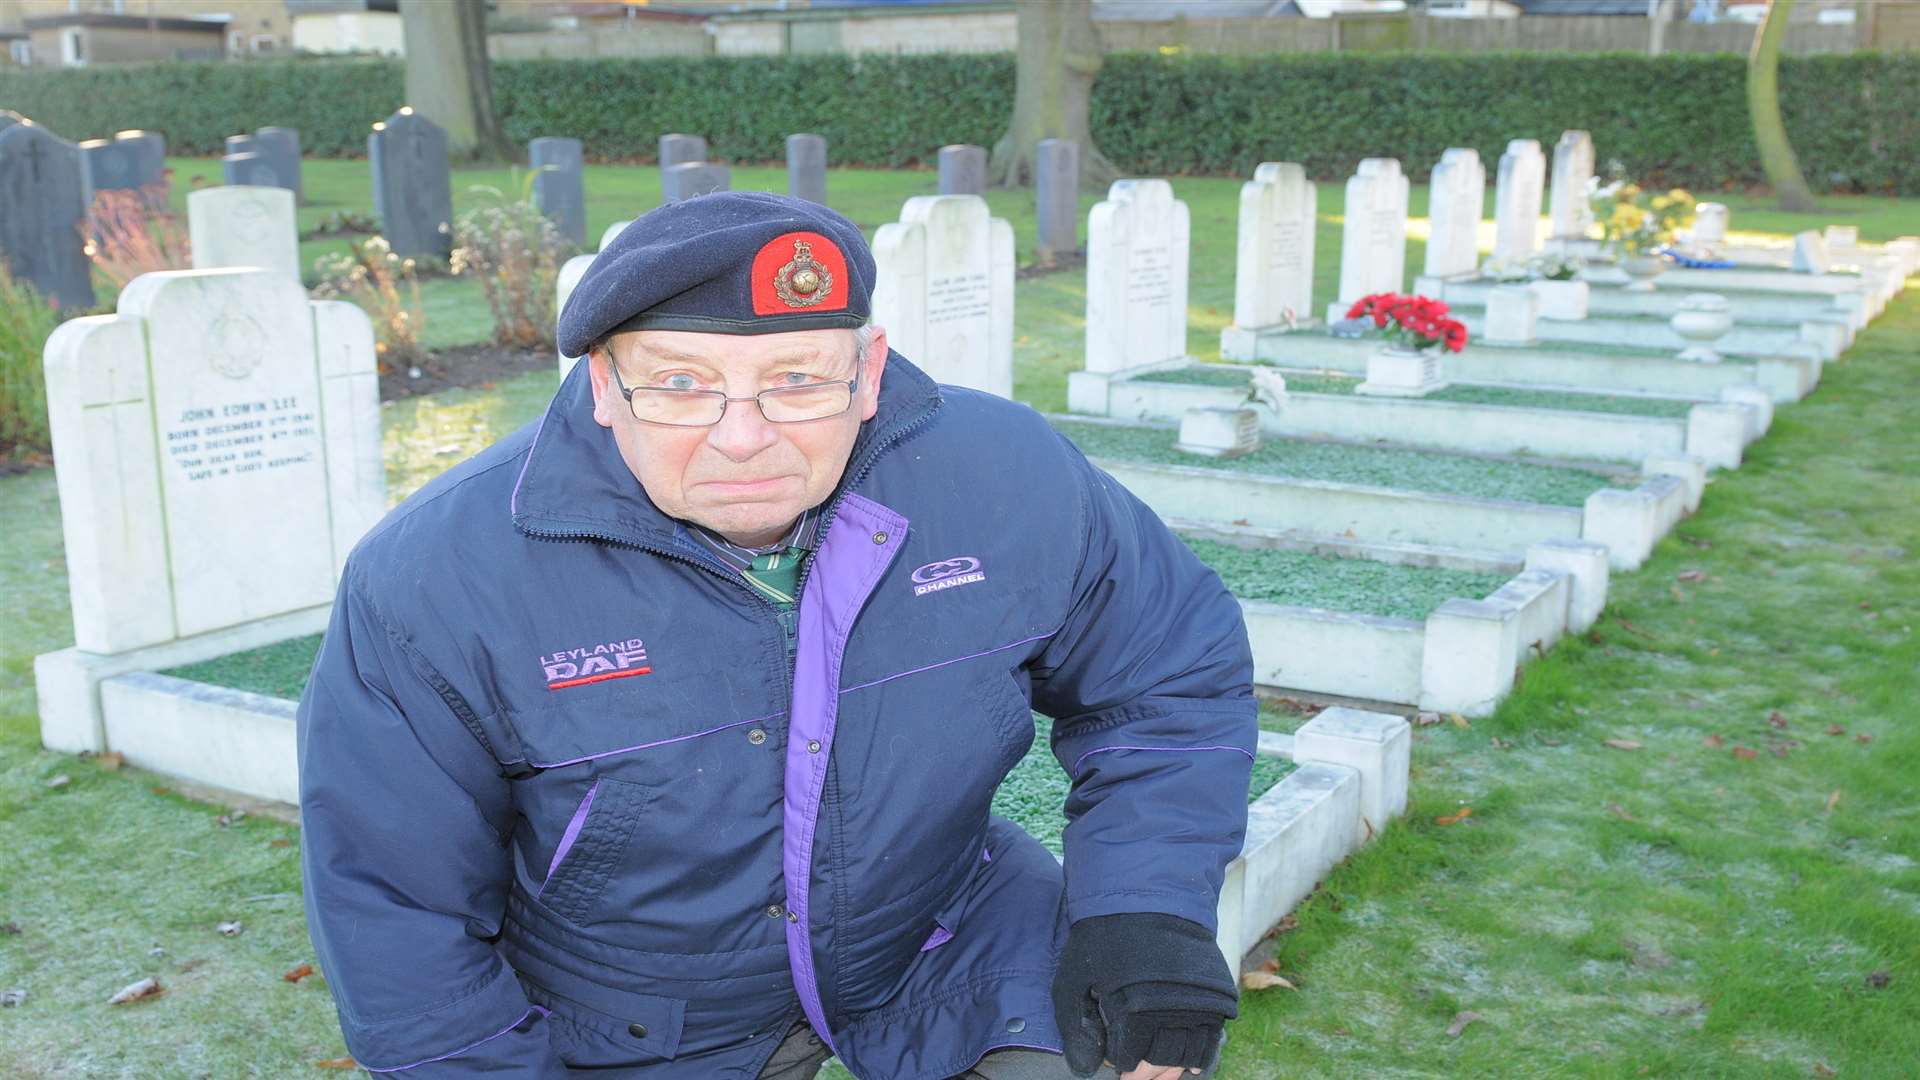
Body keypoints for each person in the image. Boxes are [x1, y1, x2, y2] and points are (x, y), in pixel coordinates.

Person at [297, 192, 1257, 1079]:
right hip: (628, 1016)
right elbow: (393, 908)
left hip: (940, 939)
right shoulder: (436, 579)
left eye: (798, 380)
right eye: (680, 382)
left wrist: (1144, 910)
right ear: (600, 383)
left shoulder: (1010, 477)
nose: (743, 435)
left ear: (870, 372)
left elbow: (1166, 677)